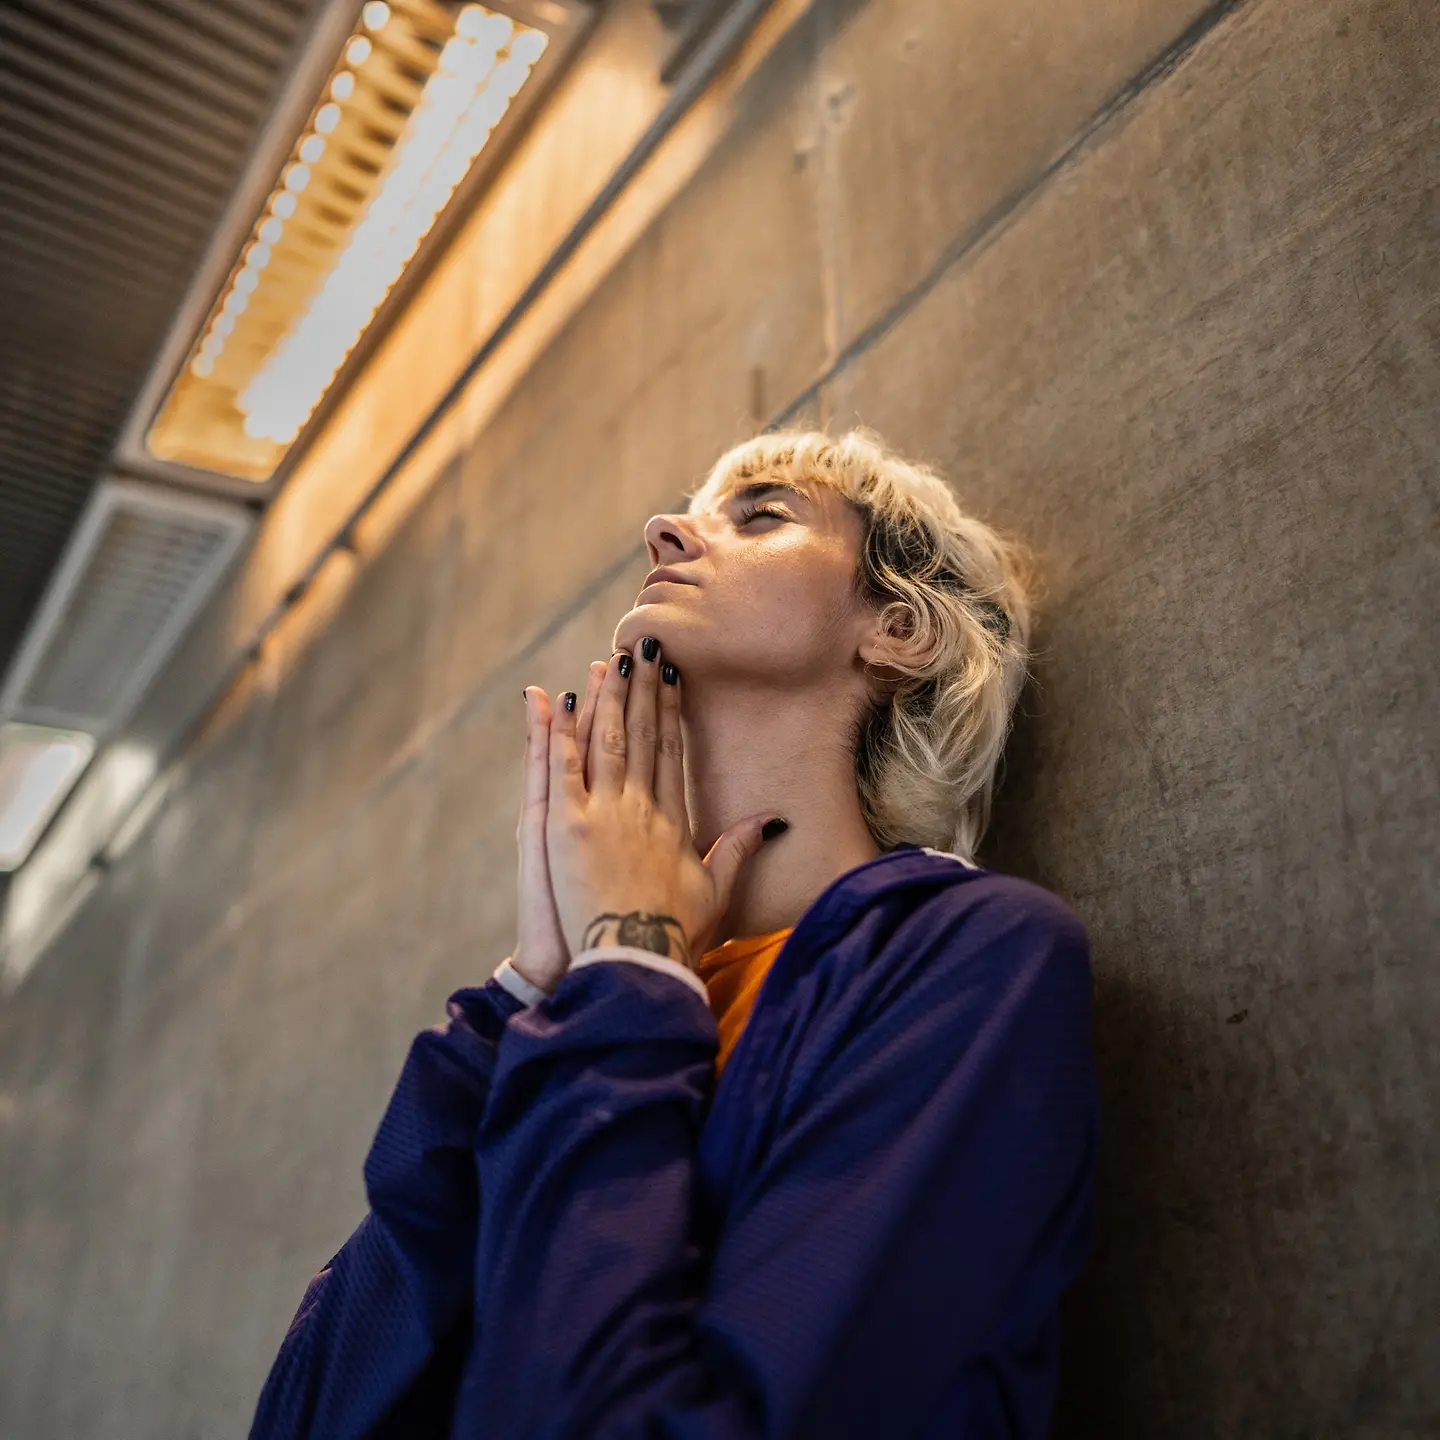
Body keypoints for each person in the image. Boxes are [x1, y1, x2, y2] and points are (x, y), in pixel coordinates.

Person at [251, 429, 1099, 1439]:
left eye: (762, 513)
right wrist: (537, 987)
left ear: (900, 629)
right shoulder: (599, 1002)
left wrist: (629, 967)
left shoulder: (972, 961)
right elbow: (311, 1413)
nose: (662, 530)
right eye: (691, 513)